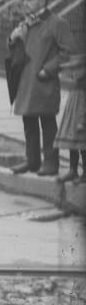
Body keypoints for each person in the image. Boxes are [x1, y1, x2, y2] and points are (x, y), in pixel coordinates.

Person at [7, 0, 74, 176]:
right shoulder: (25, 23)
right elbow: (16, 51)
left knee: (47, 122)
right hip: (25, 81)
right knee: (29, 122)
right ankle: (32, 161)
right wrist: (12, 39)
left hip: (44, 82)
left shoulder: (57, 23)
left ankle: (51, 163)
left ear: (43, 0)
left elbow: (68, 52)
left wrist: (49, 69)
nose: (26, 2)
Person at [54, 19, 86, 184]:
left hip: (82, 107)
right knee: (72, 139)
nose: (73, 72)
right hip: (74, 102)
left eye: (76, 70)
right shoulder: (75, 85)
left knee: (82, 141)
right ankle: (73, 169)